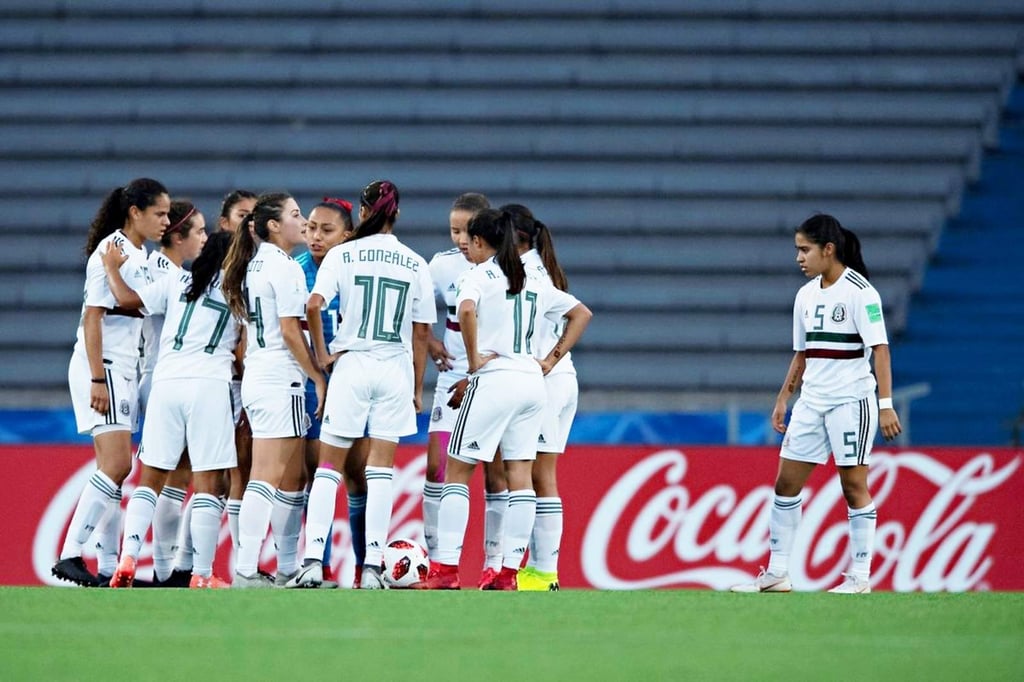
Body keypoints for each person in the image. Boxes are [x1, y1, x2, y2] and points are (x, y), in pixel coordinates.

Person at [415, 209, 592, 590]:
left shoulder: (477, 276)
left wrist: (475, 357)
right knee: (520, 478)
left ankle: (445, 570)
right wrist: (550, 359)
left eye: (470, 242)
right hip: (532, 383)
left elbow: (464, 309)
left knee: (457, 474)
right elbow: (581, 313)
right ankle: (508, 572)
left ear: (480, 242)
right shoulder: (532, 276)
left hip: (494, 380)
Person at [731, 213, 902, 595]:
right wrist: (783, 399)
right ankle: (777, 573)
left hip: (851, 401)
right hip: (811, 402)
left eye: (804, 250)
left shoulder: (861, 292)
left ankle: (859, 577)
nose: (799, 258)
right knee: (785, 485)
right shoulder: (805, 296)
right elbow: (802, 354)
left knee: (853, 485)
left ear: (829, 250)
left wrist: (885, 404)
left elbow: (881, 350)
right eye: (797, 250)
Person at [288, 180, 435, 589]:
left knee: (329, 468)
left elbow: (313, 305)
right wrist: (416, 387)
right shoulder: (414, 262)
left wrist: (323, 355)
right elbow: (421, 332)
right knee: (381, 472)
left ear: (363, 212)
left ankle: (313, 561)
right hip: (394, 369)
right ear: (397, 214)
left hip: (351, 365)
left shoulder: (343, 255)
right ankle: (373, 567)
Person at [101, 231, 240, 588]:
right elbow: (244, 349)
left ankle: (128, 556)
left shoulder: (177, 280)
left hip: (167, 382)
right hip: (210, 385)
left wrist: (111, 268)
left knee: (151, 480)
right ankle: (202, 574)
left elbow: (126, 299)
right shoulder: (239, 289)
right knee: (208, 483)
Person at [52, 177, 170, 587]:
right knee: (118, 464)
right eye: (158, 213)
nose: (165, 221)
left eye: (169, 214)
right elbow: (93, 316)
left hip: (123, 367)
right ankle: (69, 553)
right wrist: (98, 377)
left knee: (113, 469)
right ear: (135, 212)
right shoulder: (111, 250)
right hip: (102, 366)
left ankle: (105, 566)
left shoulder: (137, 254)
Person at [221, 192, 327, 588]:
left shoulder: (256, 264)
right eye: (296, 215)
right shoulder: (283, 268)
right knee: (265, 476)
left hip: (265, 376)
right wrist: (316, 373)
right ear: (273, 226)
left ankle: (285, 567)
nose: (303, 222)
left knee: (290, 476)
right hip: (278, 378)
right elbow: (288, 329)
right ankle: (246, 569)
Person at [423, 192, 511, 588]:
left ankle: (494, 563)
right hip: (451, 376)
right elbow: (416, 311)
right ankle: (435, 560)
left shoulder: (506, 269)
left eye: (466, 230)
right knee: (437, 467)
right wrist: (429, 343)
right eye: (453, 229)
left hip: (491, 377)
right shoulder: (440, 266)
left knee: (496, 473)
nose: (459, 238)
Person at [503, 203, 575, 592]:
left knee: (539, 475)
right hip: (562, 380)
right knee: (537, 473)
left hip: (548, 381)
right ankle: (540, 570)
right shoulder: (542, 269)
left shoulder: (525, 273)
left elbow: (580, 314)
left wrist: (550, 359)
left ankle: (545, 572)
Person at [291, 196, 362, 588]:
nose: (315, 236)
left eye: (326, 230)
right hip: (306, 381)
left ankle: (365, 566)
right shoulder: (293, 270)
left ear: (347, 235)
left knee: (358, 475)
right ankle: (320, 564)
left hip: (351, 379)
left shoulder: (356, 269)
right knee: (315, 472)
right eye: (311, 227)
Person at [136, 200, 208, 586]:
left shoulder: (174, 271)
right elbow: (135, 309)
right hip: (166, 378)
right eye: (198, 231)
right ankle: (166, 570)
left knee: (176, 477)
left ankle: (165, 569)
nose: (204, 239)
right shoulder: (163, 272)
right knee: (171, 477)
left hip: (167, 379)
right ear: (177, 237)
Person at [217, 190, 258, 557]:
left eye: (254, 217)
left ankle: (242, 562)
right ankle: (183, 565)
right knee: (211, 474)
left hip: (245, 381)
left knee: (239, 471)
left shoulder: (257, 272)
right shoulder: (208, 272)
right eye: (242, 216)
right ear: (224, 224)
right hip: (216, 381)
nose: (249, 224)